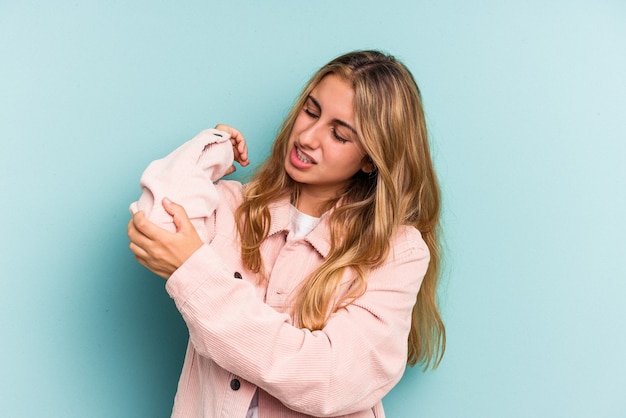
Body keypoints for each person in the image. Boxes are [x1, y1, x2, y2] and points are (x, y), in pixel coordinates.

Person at [127, 50, 445, 418]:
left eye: (339, 134)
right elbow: (153, 225)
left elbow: (331, 380)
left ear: (371, 158)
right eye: (310, 111)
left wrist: (196, 277)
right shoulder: (232, 207)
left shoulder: (396, 251)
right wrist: (211, 149)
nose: (308, 137)